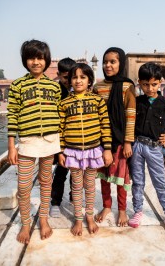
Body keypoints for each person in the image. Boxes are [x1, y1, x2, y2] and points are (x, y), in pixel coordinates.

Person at [7, 40, 61, 244]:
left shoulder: (53, 87)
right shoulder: (18, 85)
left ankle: (44, 220)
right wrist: (12, 146)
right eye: (31, 58)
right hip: (28, 141)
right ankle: (26, 222)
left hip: (49, 141)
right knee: (23, 186)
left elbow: (58, 115)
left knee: (46, 182)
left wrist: (61, 146)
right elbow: (12, 115)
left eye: (40, 58)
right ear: (25, 61)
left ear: (46, 60)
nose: (36, 62)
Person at [128, 62, 165, 234]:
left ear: (160, 82)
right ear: (139, 82)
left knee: (160, 183)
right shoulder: (137, 102)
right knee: (138, 182)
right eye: (145, 84)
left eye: (154, 84)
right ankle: (138, 211)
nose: (150, 88)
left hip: (154, 148)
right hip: (137, 146)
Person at [58, 63, 113, 236]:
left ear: (89, 80)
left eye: (83, 77)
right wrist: (60, 151)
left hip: (93, 150)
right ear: (70, 80)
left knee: (89, 186)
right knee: (76, 185)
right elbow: (60, 128)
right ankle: (78, 219)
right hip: (73, 152)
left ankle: (89, 216)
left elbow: (105, 125)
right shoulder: (64, 103)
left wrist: (107, 149)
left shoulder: (97, 101)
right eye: (75, 77)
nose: (78, 80)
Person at [93, 47, 136, 227]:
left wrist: (127, 142)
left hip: (119, 141)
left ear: (121, 63)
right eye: (105, 62)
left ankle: (123, 209)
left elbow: (131, 114)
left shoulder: (127, 86)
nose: (108, 65)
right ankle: (107, 206)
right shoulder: (98, 87)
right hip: (102, 140)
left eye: (113, 61)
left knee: (120, 177)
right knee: (104, 176)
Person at [50, 58, 75, 218]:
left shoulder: (78, 91)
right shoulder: (54, 92)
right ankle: (55, 202)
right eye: (66, 77)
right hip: (60, 140)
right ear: (59, 75)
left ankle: (74, 196)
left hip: (75, 139)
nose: (69, 81)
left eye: (71, 77)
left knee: (77, 172)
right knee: (60, 171)